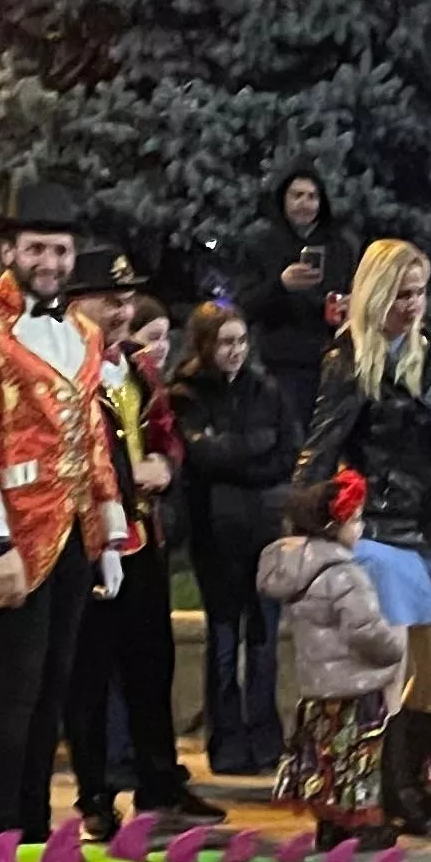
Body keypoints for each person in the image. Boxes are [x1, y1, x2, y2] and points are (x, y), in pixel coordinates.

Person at [0, 181, 129, 847]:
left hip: (72, 533)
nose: (50, 261)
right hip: (13, 536)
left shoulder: (84, 332)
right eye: (37, 247)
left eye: (61, 249)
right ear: (9, 249)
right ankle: (0, 839)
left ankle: (38, 832)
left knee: (54, 691)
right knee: (15, 692)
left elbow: (94, 437)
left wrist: (109, 531)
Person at [295, 237, 431, 834]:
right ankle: (391, 791)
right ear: (375, 294)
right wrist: (311, 522)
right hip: (376, 527)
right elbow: (322, 444)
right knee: (388, 673)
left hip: (430, 523)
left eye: (419, 292)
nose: (412, 305)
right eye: (401, 294)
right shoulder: (348, 360)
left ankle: (412, 774)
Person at [61, 251, 198, 832]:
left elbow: (166, 432)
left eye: (124, 301)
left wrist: (166, 465)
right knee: (89, 672)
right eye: (107, 301)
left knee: (152, 664)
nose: (120, 312)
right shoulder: (65, 367)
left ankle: (159, 784)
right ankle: (95, 796)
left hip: (145, 536)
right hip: (90, 540)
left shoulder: (137, 368)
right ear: (76, 304)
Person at [170, 304, 297, 778]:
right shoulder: (186, 395)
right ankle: (225, 742)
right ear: (205, 345)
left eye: (241, 341)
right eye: (225, 342)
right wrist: (250, 447)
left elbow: (286, 452)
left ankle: (265, 740)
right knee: (223, 638)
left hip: (263, 530)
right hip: (215, 533)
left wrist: (234, 454)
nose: (235, 351)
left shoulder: (267, 390)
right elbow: (198, 455)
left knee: (263, 639)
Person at [265, 472, 405, 842]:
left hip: (317, 686)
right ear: (334, 525)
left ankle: (329, 824)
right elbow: (363, 629)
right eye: (356, 519)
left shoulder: (300, 571)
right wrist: (393, 647)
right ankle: (359, 825)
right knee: (358, 757)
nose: (361, 527)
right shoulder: (346, 575)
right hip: (354, 685)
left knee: (326, 755)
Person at [232, 166, 355, 428]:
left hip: (330, 360)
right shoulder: (261, 244)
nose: (304, 203)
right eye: (297, 195)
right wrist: (281, 285)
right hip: (281, 364)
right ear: (283, 200)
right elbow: (243, 306)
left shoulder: (340, 247)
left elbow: (353, 292)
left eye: (312, 196)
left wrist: (349, 305)